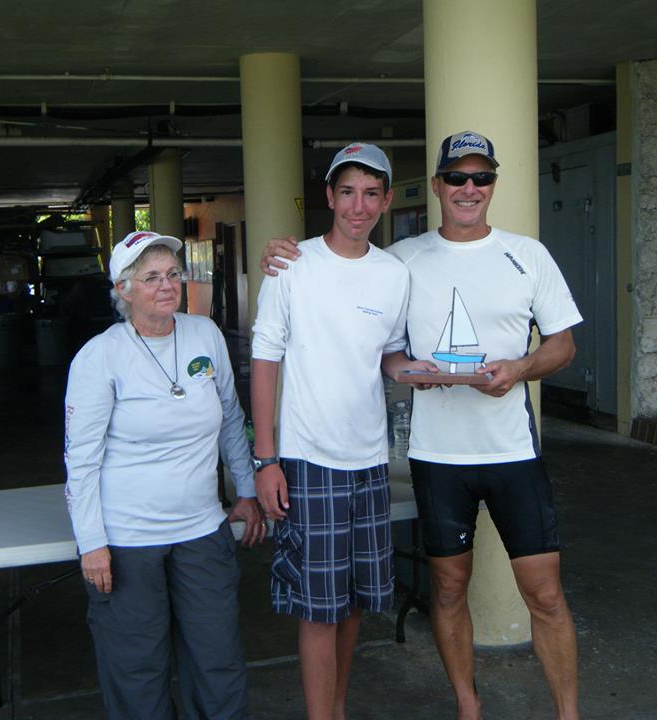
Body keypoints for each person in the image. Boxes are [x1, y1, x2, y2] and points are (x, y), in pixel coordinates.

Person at [261, 130, 583, 720]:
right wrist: (281, 254)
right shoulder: (401, 260)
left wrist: (520, 367)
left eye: (481, 177)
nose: (468, 188)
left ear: (493, 185)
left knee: (545, 593)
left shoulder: (527, 254)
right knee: (447, 590)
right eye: (456, 177)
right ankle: (468, 707)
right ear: (436, 186)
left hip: (512, 451)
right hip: (436, 457)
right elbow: (375, 331)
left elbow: (563, 345)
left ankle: (569, 714)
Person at [251, 143, 437, 720]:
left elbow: (388, 356)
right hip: (308, 460)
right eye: (348, 192)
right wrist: (266, 460)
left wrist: (425, 372)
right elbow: (265, 359)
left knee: (354, 601)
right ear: (329, 196)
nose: (359, 206)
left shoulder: (392, 274)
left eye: (371, 194)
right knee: (318, 609)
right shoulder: (291, 265)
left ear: (386, 200)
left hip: (369, 461)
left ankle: (336, 709)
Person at [65, 230, 266, 720]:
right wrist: (91, 542)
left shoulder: (204, 334)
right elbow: (81, 459)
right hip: (128, 541)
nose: (167, 285)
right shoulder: (100, 356)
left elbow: (230, 417)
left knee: (217, 661)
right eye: (151, 277)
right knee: (137, 670)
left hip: (201, 529)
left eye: (173, 274)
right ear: (123, 289)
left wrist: (245, 488)